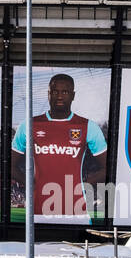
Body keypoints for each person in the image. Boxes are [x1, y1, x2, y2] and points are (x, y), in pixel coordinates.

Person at [12, 72, 106, 219]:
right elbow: (10, 165)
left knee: (77, 243)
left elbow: (108, 168)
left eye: (65, 92)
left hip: (76, 209)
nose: (60, 96)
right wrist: (31, 184)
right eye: (55, 92)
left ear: (73, 95)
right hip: (38, 209)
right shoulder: (29, 125)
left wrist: (83, 186)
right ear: (48, 94)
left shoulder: (88, 126)